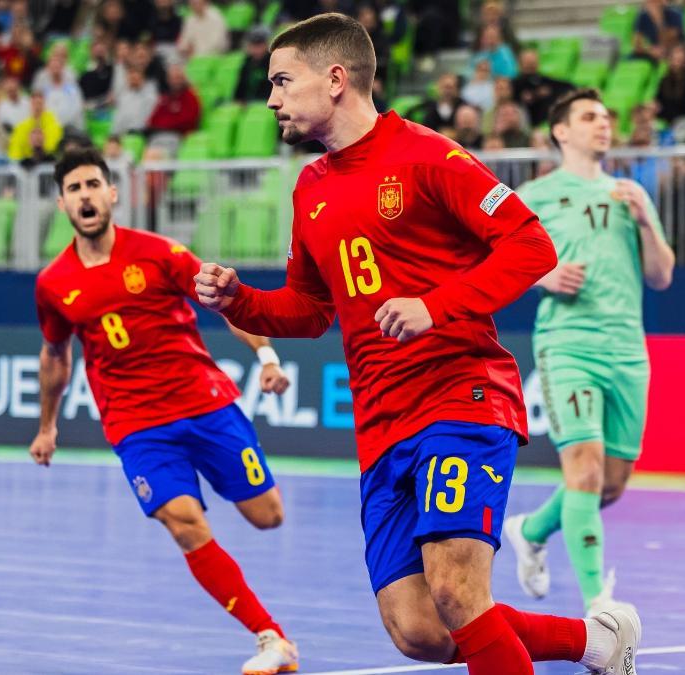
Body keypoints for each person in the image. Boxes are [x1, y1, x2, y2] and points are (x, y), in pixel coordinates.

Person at [193, 14, 641, 675]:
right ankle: (596, 643)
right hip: (381, 424)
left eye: (282, 81)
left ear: (335, 79)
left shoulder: (428, 155)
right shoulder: (310, 188)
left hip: (460, 397)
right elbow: (310, 311)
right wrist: (239, 300)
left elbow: (531, 245)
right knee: (420, 629)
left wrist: (435, 306)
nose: (271, 99)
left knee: (457, 591)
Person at [31, 148, 300, 675]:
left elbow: (226, 303)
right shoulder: (53, 283)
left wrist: (266, 357)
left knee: (268, 516)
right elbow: (55, 357)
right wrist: (47, 427)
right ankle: (272, 638)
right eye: (74, 189)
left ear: (112, 193)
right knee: (184, 524)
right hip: (136, 425)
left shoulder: (158, 253)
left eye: (93, 184)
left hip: (205, 403)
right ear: (62, 203)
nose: (85, 196)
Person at [504, 88, 675, 616]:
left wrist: (644, 219)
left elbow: (662, 275)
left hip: (626, 348)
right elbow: (496, 261)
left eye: (605, 117)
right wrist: (544, 275)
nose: (603, 125)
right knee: (584, 469)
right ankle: (600, 604)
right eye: (589, 117)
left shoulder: (629, 194)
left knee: (611, 484)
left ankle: (531, 531)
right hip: (568, 344)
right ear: (561, 131)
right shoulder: (535, 195)